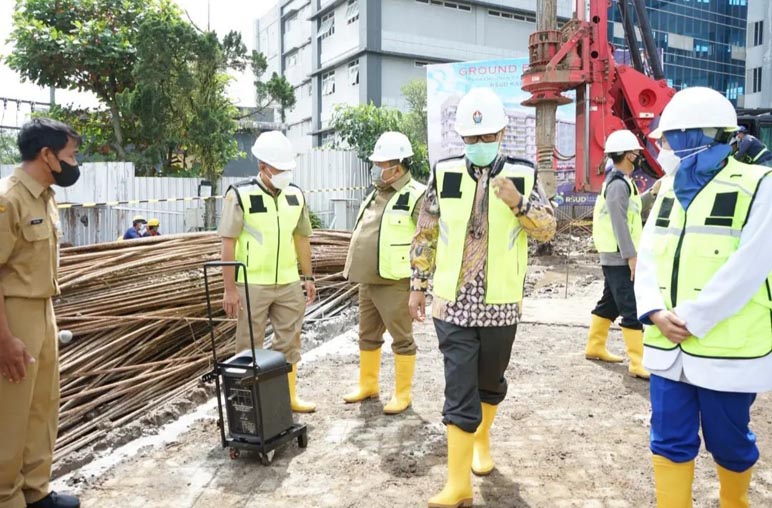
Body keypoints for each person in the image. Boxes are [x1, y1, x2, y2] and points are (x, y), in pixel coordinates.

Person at [409, 87, 556, 508]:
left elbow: (548, 230)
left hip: (500, 303)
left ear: (502, 132)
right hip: (452, 301)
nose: (477, 145)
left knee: (489, 383)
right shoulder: (444, 172)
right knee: (458, 390)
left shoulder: (524, 175)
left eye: (485, 137)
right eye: (470, 139)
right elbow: (427, 232)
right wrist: (418, 287)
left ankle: (482, 439)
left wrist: (519, 203)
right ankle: (458, 485)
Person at [636, 86, 772, 507]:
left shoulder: (759, 186)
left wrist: (692, 317)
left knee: (729, 442)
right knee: (669, 439)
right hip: (666, 343)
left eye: (671, 139)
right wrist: (655, 310)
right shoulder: (668, 187)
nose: (666, 149)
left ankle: (735, 501)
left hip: (724, 348)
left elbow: (749, 268)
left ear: (699, 138)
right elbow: (648, 255)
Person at [0, 118, 82, 508]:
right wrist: (5, 339)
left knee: (42, 406)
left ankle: (36, 491)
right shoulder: (8, 198)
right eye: (70, 155)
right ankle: (6, 497)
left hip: (43, 309)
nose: (74, 162)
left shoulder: (44, 197)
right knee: (10, 414)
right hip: (13, 315)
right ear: (46, 155)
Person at [219, 130, 317, 413]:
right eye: (280, 168)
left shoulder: (295, 196)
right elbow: (228, 243)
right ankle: (249, 406)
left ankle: (286, 399)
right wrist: (229, 288)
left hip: (288, 282)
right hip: (251, 285)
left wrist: (308, 277)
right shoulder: (240, 195)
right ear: (263, 167)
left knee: (289, 342)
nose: (285, 173)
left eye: (288, 168)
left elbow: (302, 239)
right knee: (249, 346)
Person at [342, 132, 425, 414]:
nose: (379, 169)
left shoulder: (417, 194)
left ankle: (402, 394)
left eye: (384, 164)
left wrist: (419, 285)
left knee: (401, 337)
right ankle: (368, 385)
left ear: (399, 166)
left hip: (395, 281)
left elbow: (426, 240)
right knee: (367, 335)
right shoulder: (377, 194)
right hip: (368, 280)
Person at [585, 129, 649, 379]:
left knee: (610, 301)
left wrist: (651, 195)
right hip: (619, 256)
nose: (638, 156)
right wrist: (631, 255)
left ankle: (595, 346)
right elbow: (619, 223)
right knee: (630, 307)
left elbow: (631, 211)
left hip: (616, 255)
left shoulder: (622, 183)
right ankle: (637, 362)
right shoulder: (618, 184)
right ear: (628, 155)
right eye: (636, 152)